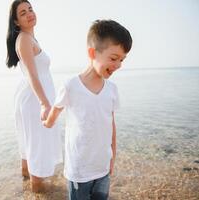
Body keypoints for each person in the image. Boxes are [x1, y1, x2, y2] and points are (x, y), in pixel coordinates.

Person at [43, 19, 132, 199]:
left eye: (122, 60)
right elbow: (56, 109)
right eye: (114, 58)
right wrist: (47, 122)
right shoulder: (71, 86)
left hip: (102, 168)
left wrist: (112, 157)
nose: (118, 65)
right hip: (79, 171)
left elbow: (111, 126)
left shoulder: (112, 90)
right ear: (92, 53)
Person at [6, 0, 62, 193]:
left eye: (30, 9)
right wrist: (44, 103)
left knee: (29, 147)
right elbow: (32, 74)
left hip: (31, 98)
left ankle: (26, 188)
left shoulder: (29, 38)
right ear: (16, 21)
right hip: (34, 101)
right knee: (37, 148)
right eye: (23, 13)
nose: (29, 13)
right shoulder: (23, 39)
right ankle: (38, 193)